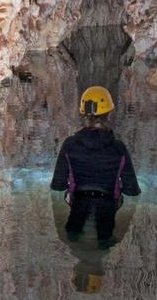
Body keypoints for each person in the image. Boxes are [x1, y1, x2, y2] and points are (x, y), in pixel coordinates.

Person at [50, 86, 141, 247]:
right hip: (108, 208)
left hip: (76, 206)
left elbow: (57, 187)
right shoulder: (119, 149)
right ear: (109, 114)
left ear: (83, 115)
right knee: (105, 242)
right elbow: (132, 191)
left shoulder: (70, 145)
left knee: (72, 238)